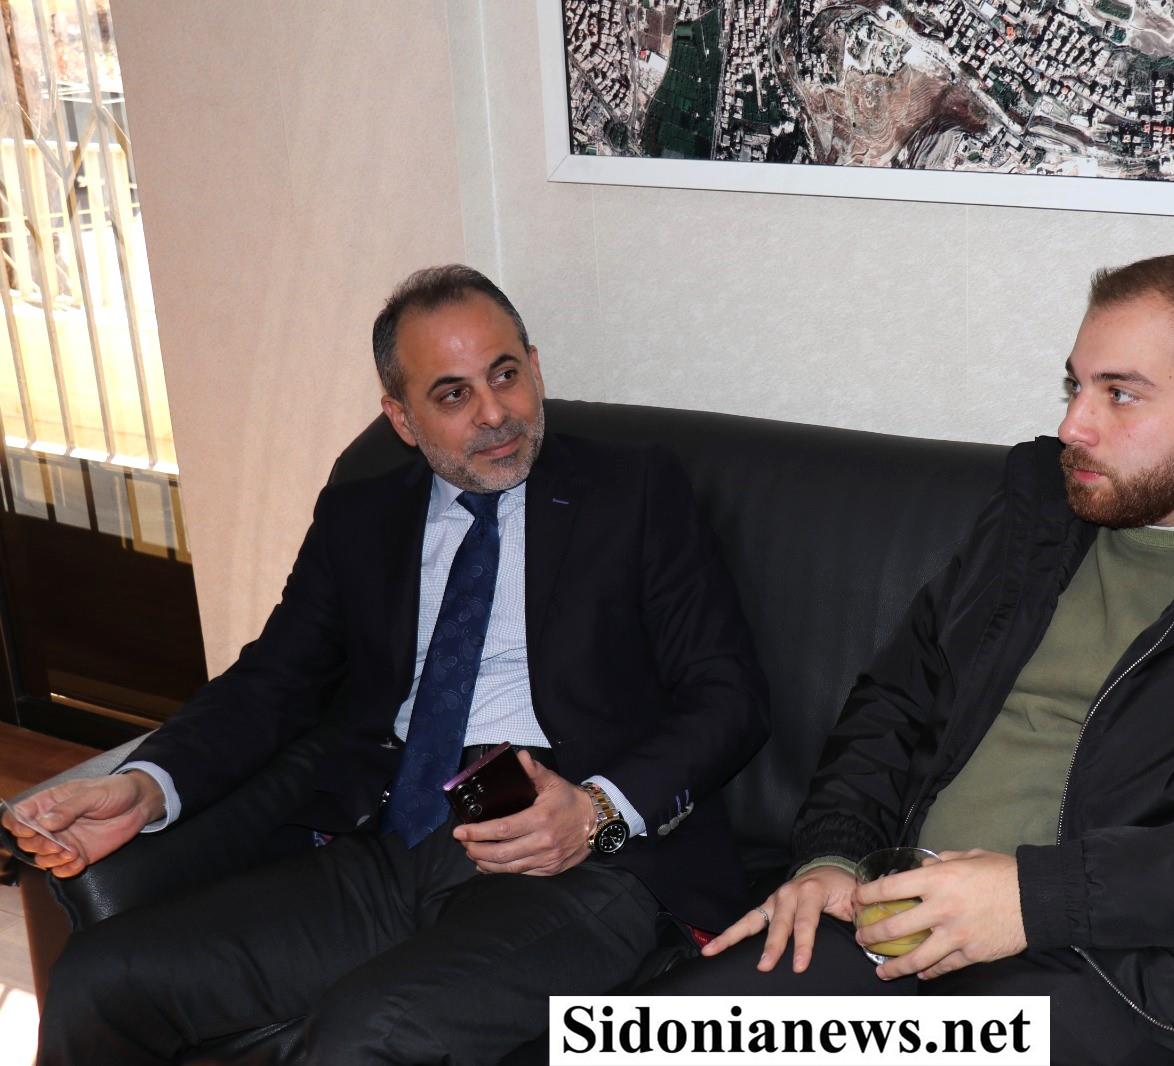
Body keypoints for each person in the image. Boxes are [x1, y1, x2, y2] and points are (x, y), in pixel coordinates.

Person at [648, 255, 1174, 1065]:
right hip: (893, 915)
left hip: (1101, 964)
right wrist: (832, 855)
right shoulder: (1041, 510)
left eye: (1121, 394)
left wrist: (1035, 898)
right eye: (1074, 386)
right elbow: (896, 701)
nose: (1076, 426)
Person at [3, 265, 770, 1064]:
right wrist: (145, 785)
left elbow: (729, 696)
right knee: (100, 979)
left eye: (505, 375)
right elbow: (272, 681)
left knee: (366, 1037)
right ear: (401, 417)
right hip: (391, 845)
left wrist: (596, 811)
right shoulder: (361, 519)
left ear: (536, 368)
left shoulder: (633, 491)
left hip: (579, 860)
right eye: (453, 395)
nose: (495, 413)